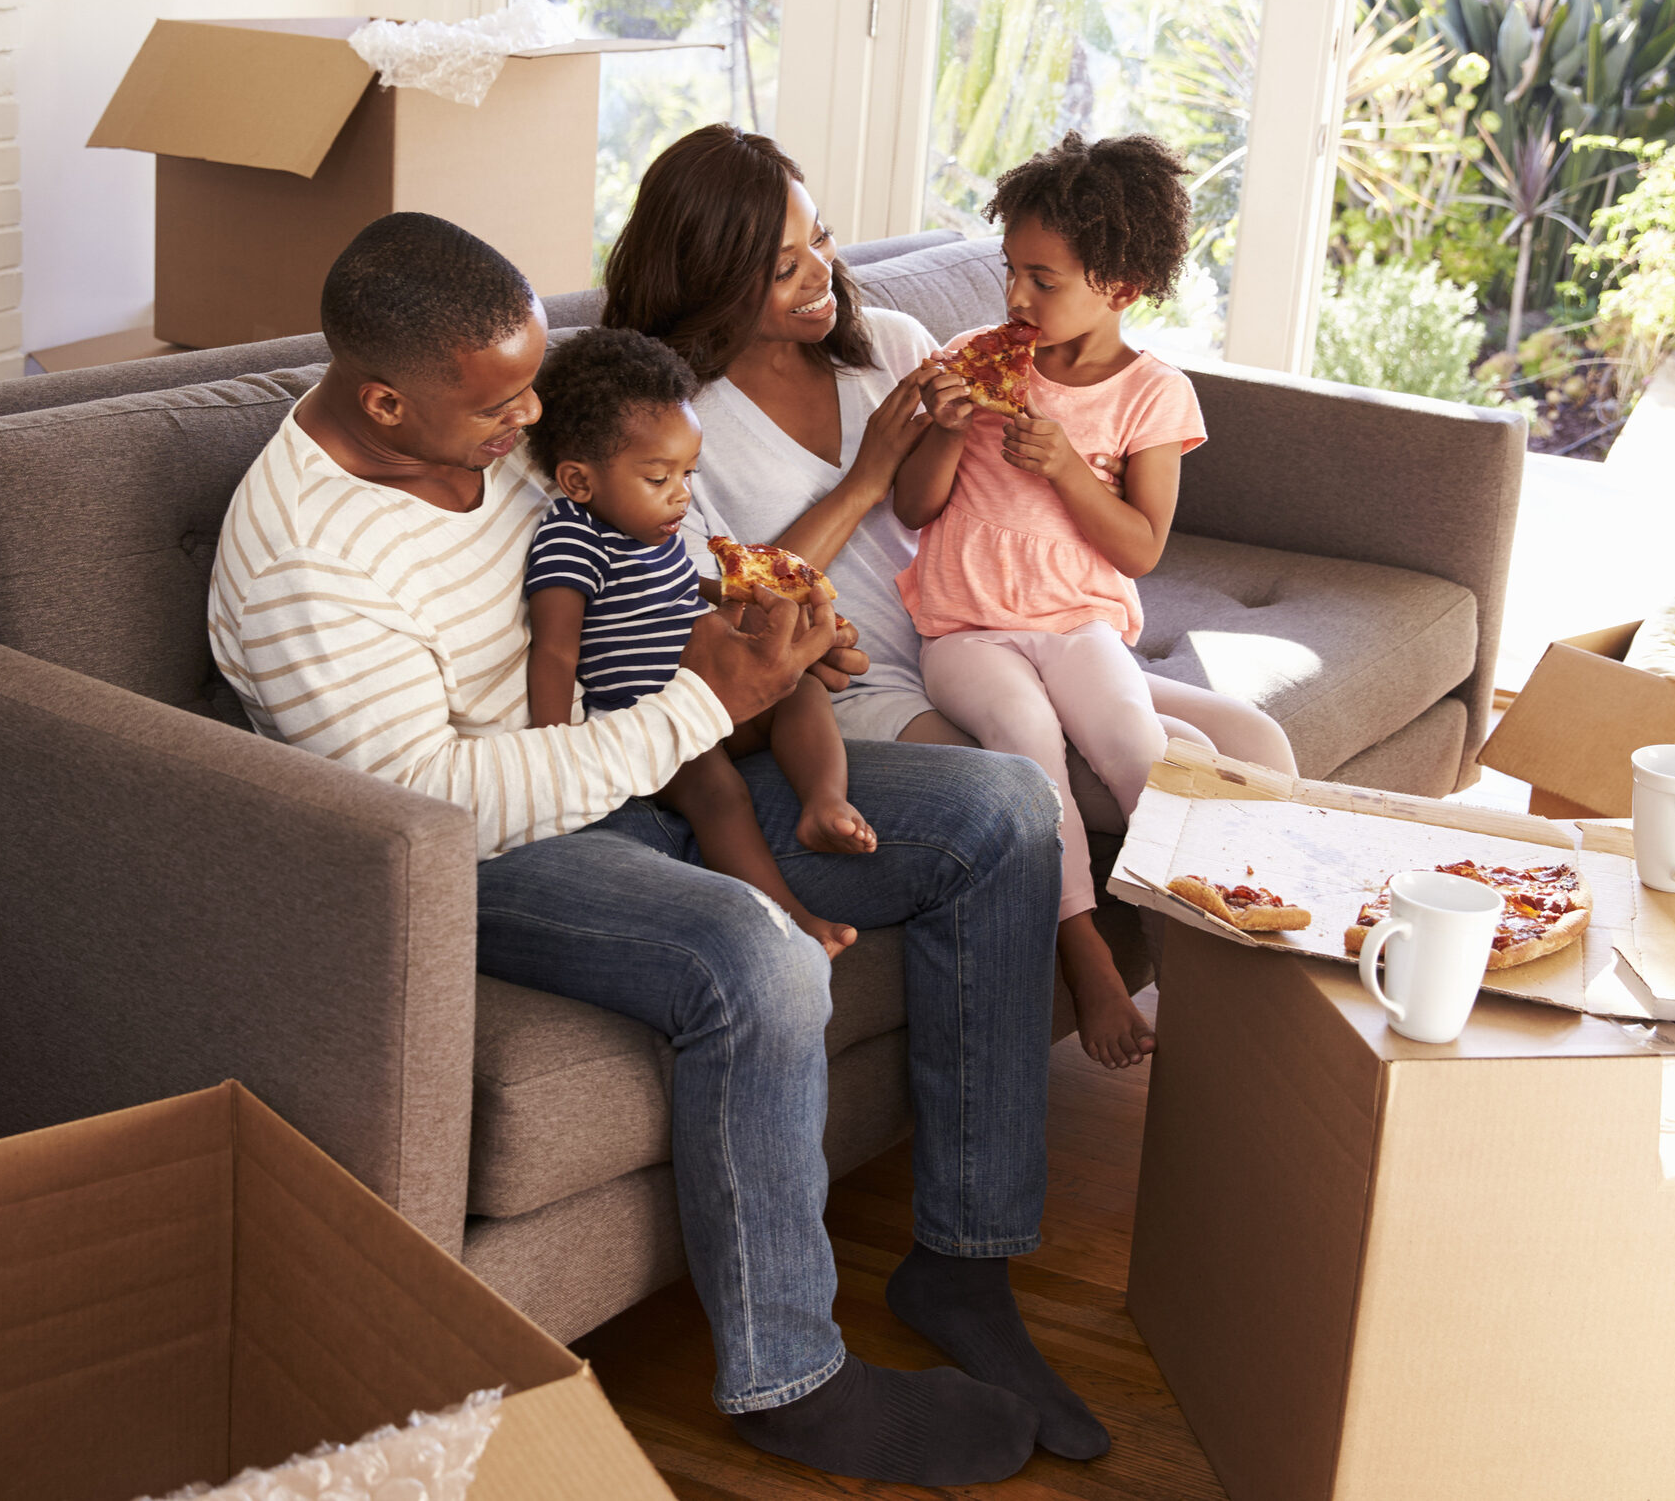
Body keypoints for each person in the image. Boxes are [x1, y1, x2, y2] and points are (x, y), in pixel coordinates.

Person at [210, 212, 1107, 1482]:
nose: (529, 426)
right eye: (497, 408)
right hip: (480, 849)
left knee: (1000, 810)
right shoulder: (303, 562)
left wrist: (767, 638)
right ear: (383, 404)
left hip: (648, 755)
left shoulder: (509, 429)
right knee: (752, 955)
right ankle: (790, 1379)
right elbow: (429, 801)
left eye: (533, 390)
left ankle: (962, 1268)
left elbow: (644, 556)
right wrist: (705, 705)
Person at [602, 126, 1298, 1063]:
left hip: (1000, 627)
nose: (821, 274)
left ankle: (1261, 1007)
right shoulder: (673, 423)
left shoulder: (889, 343)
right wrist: (866, 474)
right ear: (713, 276)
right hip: (861, 685)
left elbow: (1027, 498)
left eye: (823, 239)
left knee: (1246, 744)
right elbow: (728, 600)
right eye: (781, 265)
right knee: (1092, 771)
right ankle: (1100, 958)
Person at [893, 131, 1220, 1072]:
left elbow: (1141, 546)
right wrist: (948, 432)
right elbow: (913, 507)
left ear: (1119, 284)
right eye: (1009, 273)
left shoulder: (1153, 394)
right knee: (1028, 744)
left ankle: (1205, 949)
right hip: (963, 629)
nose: (1014, 300)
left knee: (1136, 748)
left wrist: (1071, 470)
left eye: (1042, 279)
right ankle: (1084, 951)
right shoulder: (971, 358)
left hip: (1079, 624)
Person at [523, 325, 866, 958]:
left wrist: (731, 595)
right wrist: (556, 753)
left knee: (801, 687)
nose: (682, 493)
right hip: (654, 724)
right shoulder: (572, 540)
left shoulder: (655, 532)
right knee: (719, 793)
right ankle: (791, 917)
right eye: (659, 478)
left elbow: (681, 589)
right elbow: (554, 650)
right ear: (578, 481)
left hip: (713, 701)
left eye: (689, 472)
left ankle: (824, 801)